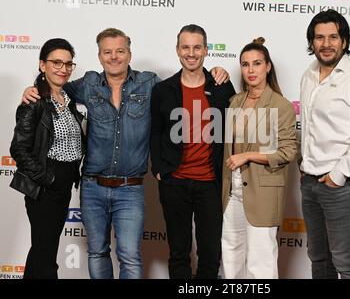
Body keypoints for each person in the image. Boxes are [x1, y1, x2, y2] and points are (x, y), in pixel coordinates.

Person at [22, 28, 229, 279]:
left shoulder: (150, 83)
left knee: (130, 256)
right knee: (97, 252)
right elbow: (55, 86)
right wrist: (32, 88)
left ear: (129, 54)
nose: (114, 57)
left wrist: (217, 71)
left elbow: (182, 83)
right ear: (99, 56)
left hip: (130, 188)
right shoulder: (87, 84)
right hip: (93, 185)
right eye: (107, 52)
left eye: (120, 51)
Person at [298, 9, 350, 279]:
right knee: (320, 260)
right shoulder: (309, 75)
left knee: (346, 263)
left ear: (344, 41)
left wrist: (339, 174)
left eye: (333, 37)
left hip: (343, 185)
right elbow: (311, 127)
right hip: (310, 182)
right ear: (311, 42)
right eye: (319, 37)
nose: (326, 44)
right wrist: (305, 163)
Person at [150, 24, 236, 279]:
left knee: (210, 253)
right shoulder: (163, 90)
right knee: (179, 251)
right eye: (185, 47)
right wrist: (159, 170)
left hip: (210, 183)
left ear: (206, 50)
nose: (191, 53)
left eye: (197, 47)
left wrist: (222, 74)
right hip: (174, 182)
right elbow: (155, 132)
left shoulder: (222, 88)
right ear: (177, 50)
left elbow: (232, 132)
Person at [221, 37, 297, 279]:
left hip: (263, 192)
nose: (251, 70)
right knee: (231, 257)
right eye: (245, 64)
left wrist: (248, 156)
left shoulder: (281, 105)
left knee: (260, 261)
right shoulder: (234, 102)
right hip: (231, 193)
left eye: (256, 63)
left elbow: (288, 152)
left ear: (268, 67)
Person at [10, 38, 85, 279]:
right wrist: (47, 178)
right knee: (45, 252)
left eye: (68, 63)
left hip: (63, 183)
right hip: (45, 185)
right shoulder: (35, 102)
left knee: (45, 250)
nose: (63, 69)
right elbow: (18, 149)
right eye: (56, 62)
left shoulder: (68, 101)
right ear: (42, 65)